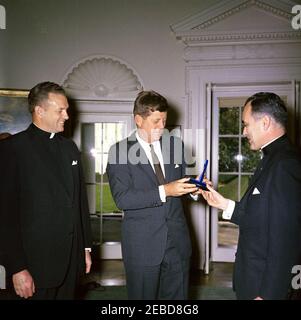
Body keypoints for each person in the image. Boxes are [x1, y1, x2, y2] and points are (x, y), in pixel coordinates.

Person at [200, 92, 301, 300]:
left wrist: (268, 294)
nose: (244, 131)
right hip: (254, 278)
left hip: (264, 286)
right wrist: (224, 204)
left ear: (265, 122)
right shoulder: (272, 158)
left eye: (246, 124)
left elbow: (287, 239)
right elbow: (261, 216)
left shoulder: (285, 164)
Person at [0, 81, 92, 300]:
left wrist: (85, 247)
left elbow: (79, 202)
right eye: (60, 110)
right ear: (39, 111)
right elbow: (5, 216)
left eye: (67, 109)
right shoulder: (12, 150)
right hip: (34, 266)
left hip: (70, 262)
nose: (67, 115)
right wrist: (17, 268)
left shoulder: (70, 148)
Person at [106, 90, 198, 299]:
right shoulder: (119, 152)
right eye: (156, 121)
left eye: (164, 121)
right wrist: (165, 190)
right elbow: (123, 199)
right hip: (142, 245)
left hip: (177, 242)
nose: (162, 127)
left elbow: (182, 183)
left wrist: (196, 188)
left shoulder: (176, 146)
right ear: (138, 119)